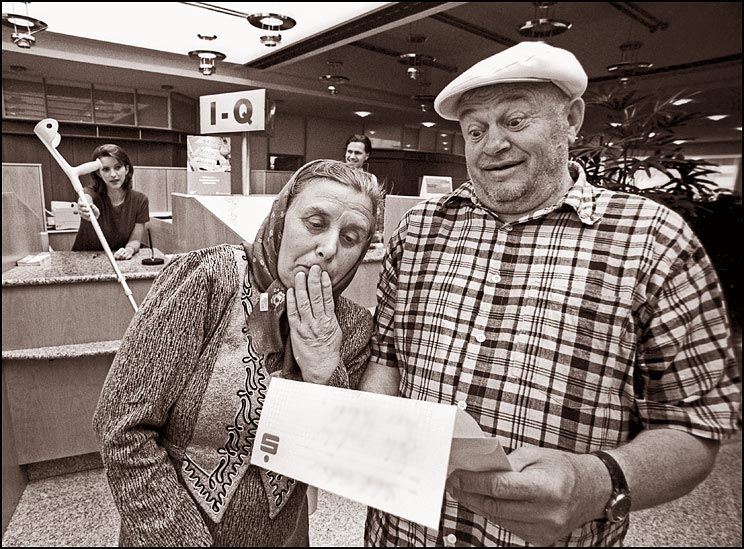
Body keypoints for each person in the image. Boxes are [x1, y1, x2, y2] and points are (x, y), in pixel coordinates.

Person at [361, 41, 741, 546]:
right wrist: (371, 435)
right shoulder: (419, 230)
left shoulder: (653, 239)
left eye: (515, 121)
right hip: (399, 534)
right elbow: (387, 359)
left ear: (572, 118)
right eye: (475, 130)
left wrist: (600, 482)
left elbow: (695, 424)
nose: (491, 144)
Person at [93, 159, 381, 546]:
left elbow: (330, 459)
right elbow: (122, 429)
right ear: (281, 216)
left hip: (283, 535)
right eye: (315, 223)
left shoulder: (351, 325)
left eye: (350, 238)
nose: (328, 249)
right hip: (169, 531)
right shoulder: (208, 278)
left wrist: (325, 373)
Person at [72, 144, 149, 260]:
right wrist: (87, 208)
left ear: (126, 169)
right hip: (85, 259)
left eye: (117, 167)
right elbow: (85, 198)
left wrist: (128, 250)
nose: (113, 175)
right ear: (99, 173)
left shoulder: (140, 200)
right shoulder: (91, 192)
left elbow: (135, 240)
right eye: (106, 169)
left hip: (118, 259)